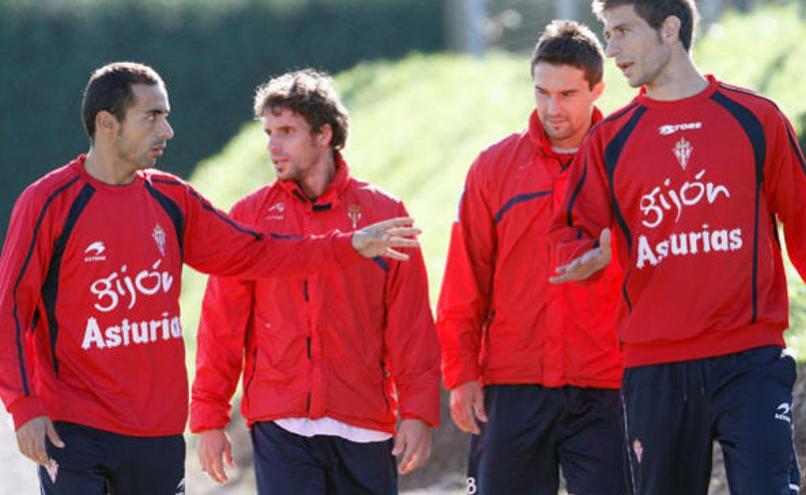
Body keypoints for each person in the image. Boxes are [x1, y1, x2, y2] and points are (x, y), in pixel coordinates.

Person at [0, 61, 420, 495]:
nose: (168, 131)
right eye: (153, 117)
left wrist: (346, 245)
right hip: (75, 428)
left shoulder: (173, 199)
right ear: (108, 124)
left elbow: (258, 252)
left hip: (158, 434)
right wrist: (25, 406)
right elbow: (9, 310)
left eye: (166, 116)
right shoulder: (48, 203)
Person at [550, 1, 806, 494]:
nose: (611, 50)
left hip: (750, 358)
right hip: (654, 368)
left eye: (624, 32)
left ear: (669, 29)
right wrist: (583, 257)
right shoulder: (608, 140)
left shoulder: (755, 118)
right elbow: (569, 233)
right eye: (607, 34)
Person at [189, 69, 440, 495]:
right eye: (268, 132)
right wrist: (209, 416)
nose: (272, 145)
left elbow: (411, 325)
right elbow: (221, 327)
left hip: (364, 423)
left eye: (286, 131)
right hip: (281, 423)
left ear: (324, 135)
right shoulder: (249, 218)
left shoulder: (384, 214)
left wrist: (418, 412)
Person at [436, 20, 626, 495]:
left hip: (608, 382)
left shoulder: (627, 160)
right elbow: (466, 277)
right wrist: (461, 375)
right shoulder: (493, 168)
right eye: (542, 92)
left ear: (596, 89)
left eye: (567, 95)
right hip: (513, 382)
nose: (551, 108)